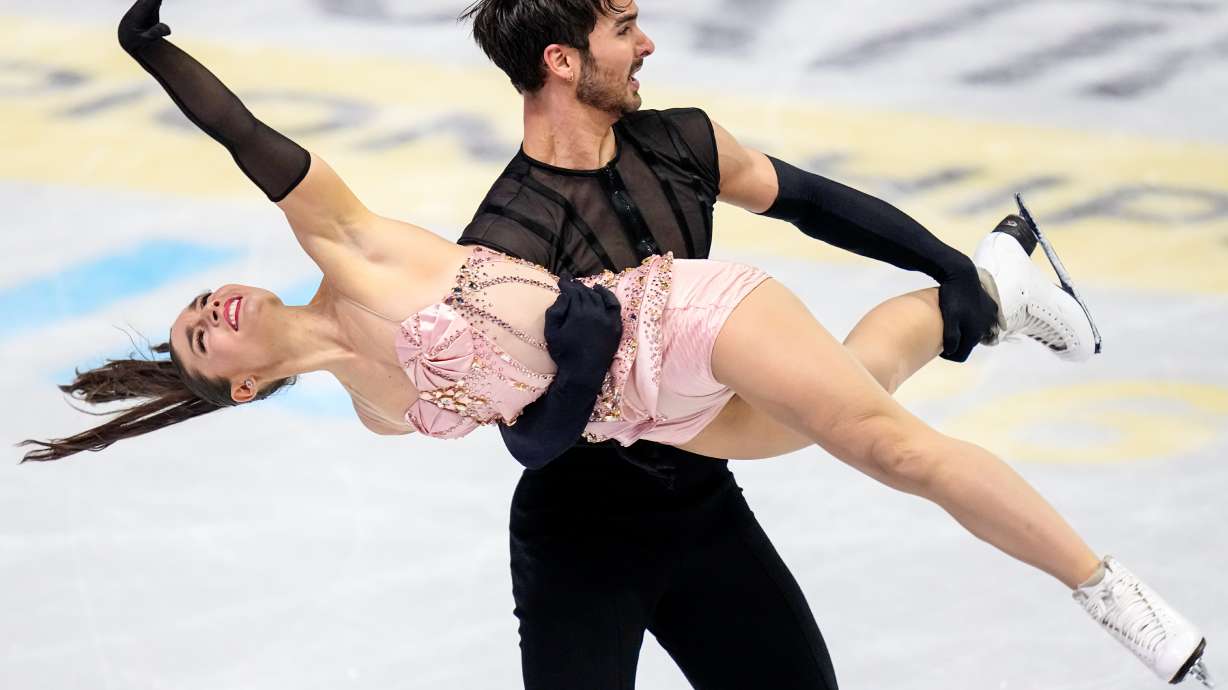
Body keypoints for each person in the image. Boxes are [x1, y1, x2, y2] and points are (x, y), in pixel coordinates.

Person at [21, 2, 1212, 688]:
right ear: (240, 391)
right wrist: (576, 387)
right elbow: (538, 432)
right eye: (196, 338)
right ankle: (993, 282)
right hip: (646, 420)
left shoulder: (350, 247)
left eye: (199, 301)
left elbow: (249, 138)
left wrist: (154, 54)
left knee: (881, 443)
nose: (211, 311)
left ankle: (1110, 594)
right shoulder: (380, 412)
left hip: (677, 315)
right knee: (864, 382)